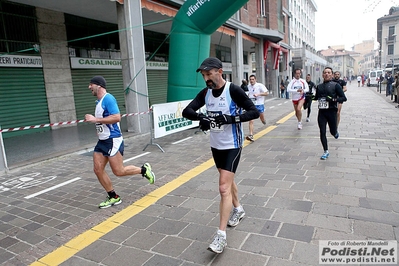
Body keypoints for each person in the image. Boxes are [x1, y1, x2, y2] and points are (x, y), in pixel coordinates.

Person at [182, 57, 259, 254]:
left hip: (233, 144)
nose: (206, 78)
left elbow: (254, 112)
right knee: (228, 180)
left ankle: (221, 236)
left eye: (209, 74)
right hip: (216, 146)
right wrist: (202, 117)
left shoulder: (232, 90)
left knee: (223, 187)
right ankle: (238, 209)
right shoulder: (206, 93)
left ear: (219, 71)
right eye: (204, 75)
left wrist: (230, 119)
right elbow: (187, 111)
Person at [85, 76, 155, 209]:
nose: (89, 87)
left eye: (91, 85)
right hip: (102, 141)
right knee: (97, 169)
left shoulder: (108, 99)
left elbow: (117, 117)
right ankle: (113, 196)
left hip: (113, 140)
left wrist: (95, 120)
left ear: (99, 86)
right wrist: (98, 128)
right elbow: (102, 121)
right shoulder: (99, 102)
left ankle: (144, 170)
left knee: (119, 171)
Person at [313, 67, 347, 160]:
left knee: (332, 132)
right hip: (322, 112)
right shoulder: (319, 86)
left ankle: (335, 132)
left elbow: (343, 98)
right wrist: (309, 97)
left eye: (329, 72)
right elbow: (316, 98)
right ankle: (326, 151)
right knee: (322, 132)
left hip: (332, 112)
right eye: (325, 73)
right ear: (323, 75)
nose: (327, 74)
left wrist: (333, 99)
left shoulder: (336, 85)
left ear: (331, 75)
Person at [245, 74, 269, 142]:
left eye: (253, 79)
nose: (251, 81)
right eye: (250, 80)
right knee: (251, 120)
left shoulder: (260, 85)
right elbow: (249, 93)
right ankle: (251, 135)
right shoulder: (248, 86)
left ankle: (264, 121)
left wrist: (258, 94)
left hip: (259, 104)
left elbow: (266, 93)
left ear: (255, 80)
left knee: (262, 118)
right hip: (252, 105)